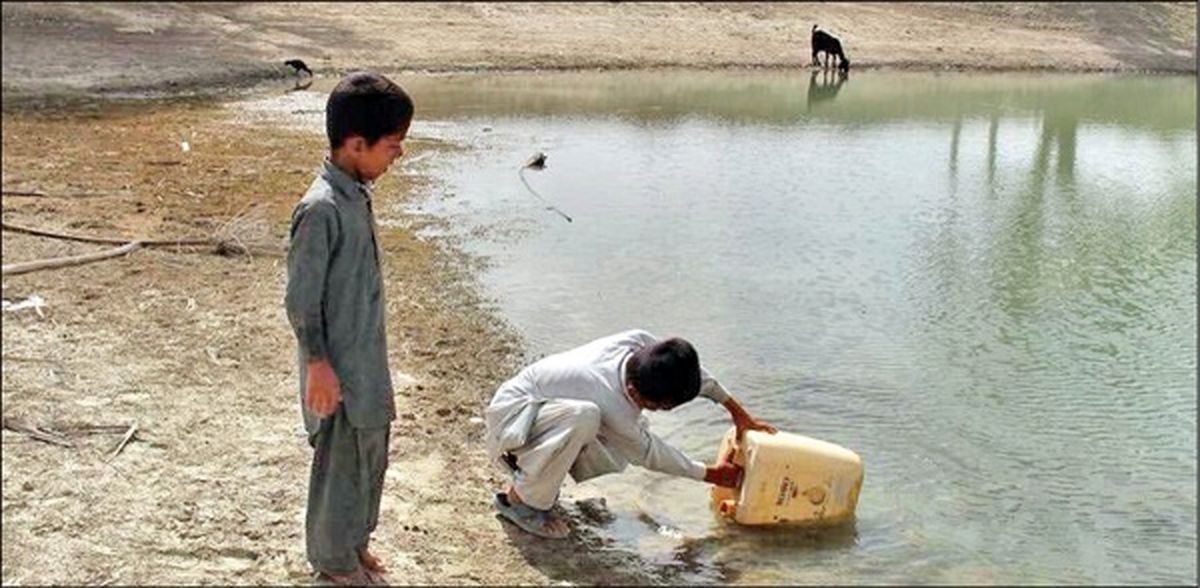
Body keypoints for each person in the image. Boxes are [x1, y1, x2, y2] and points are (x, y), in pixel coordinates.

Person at [285, 71, 413, 585]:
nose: (398, 156)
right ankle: (333, 562)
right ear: (355, 144)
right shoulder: (320, 210)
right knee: (339, 466)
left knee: (369, 459)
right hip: (336, 368)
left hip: (366, 362)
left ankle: (355, 544)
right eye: (392, 145)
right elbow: (300, 299)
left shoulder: (356, 191)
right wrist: (317, 363)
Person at [485, 329, 776, 538]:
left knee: (601, 428)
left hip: (539, 414)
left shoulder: (639, 344)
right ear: (637, 392)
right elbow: (650, 453)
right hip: (511, 427)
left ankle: (539, 482)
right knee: (588, 419)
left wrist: (739, 415)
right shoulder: (610, 401)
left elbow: (690, 375)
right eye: (661, 407)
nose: (662, 411)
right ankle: (520, 503)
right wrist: (711, 474)